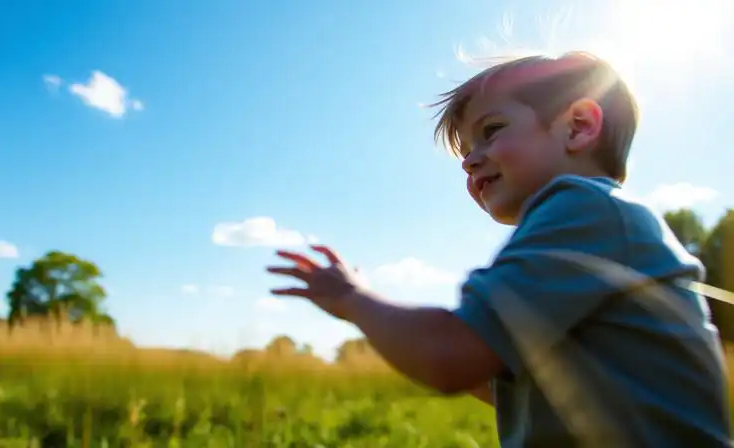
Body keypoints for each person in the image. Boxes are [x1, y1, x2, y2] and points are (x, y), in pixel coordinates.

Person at [265, 51, 731, 446]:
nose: (469, 159)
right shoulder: (591, 225)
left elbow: (449, 355)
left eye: (491, 130)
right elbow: (515, 381)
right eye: (465, 150)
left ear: (578, 126)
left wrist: (353, 298)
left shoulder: (582, 208)